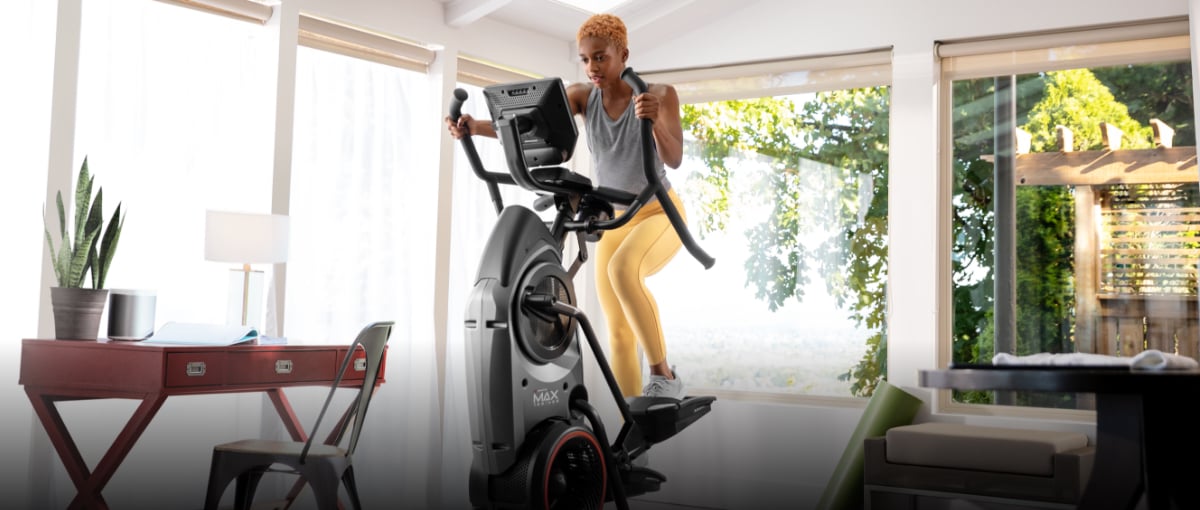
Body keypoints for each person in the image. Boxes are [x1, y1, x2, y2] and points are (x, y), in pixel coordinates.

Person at [445, 14, 688, 400]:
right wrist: (476, 126)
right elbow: (529, 123)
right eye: (585, 59)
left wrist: (655, 120)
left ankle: (664, 376)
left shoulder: (659, 93)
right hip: (614, 218)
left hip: (658, 212)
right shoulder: (582, 96)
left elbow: (673, 159)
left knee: (624, 272)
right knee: (618, 328)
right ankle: (631, 419)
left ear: (623, 54)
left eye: (601, 58)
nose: (592, 67)